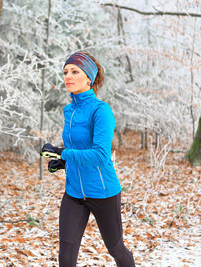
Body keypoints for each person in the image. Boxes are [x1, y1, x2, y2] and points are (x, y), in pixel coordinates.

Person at [41, 51, 136, 267]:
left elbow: (100, 156)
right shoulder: (69, 111)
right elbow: (79, 148)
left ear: (89, 78)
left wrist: (62, 153)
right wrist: (64, 162)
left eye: (75, 71)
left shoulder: (101, 111)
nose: (68, 76)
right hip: (74, 193)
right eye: (66, 72)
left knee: (116, 249)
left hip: (103, 193)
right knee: (66, 257)